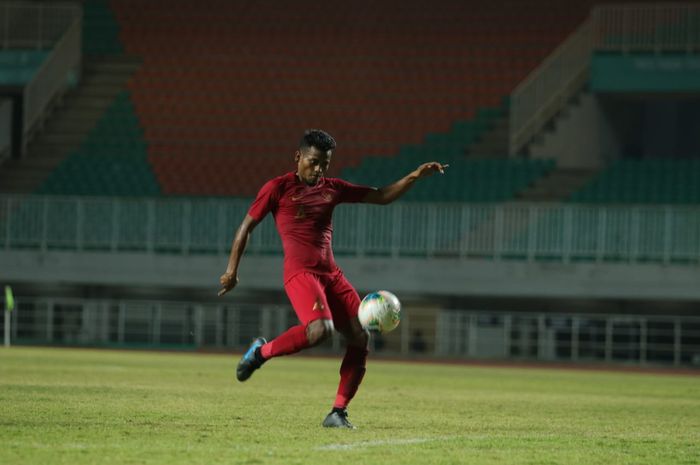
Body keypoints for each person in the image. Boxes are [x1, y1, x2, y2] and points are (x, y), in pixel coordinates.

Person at [218, 129, 446, 429]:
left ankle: (337, 412)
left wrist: (414, 176)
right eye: (313, 162)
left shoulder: (333, 188)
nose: (319, 169)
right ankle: (260, 353)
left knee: (360, 338)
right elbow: (246, 226)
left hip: (332, 275)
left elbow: (380, 196)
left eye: (325, 163)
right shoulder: (277, 188)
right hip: (301, 273)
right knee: (320, 331)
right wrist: (232, 270)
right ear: (298, 157)